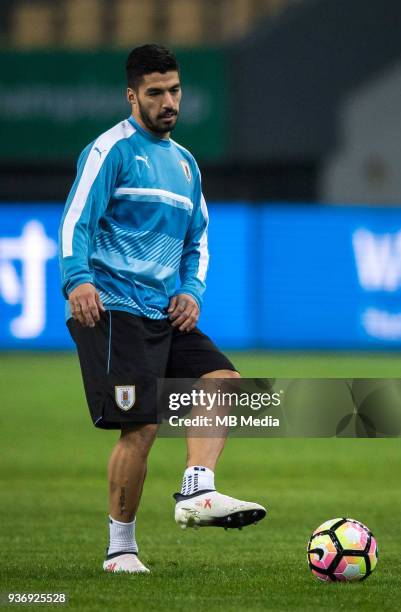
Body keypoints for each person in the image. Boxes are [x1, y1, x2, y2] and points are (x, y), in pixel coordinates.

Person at [58, 44, 266, 574]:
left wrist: (192, 290)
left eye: (174, 90)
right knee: (143, 426)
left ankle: (197, 491)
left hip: (163, 310)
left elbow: (199, 238)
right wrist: (78, 279)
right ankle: (120, 550)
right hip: (114, 309)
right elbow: (76, 220)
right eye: (156, 93)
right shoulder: (112, 151)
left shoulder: (186, 163)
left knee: (221, 379)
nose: (169, 101)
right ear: (133, 96)